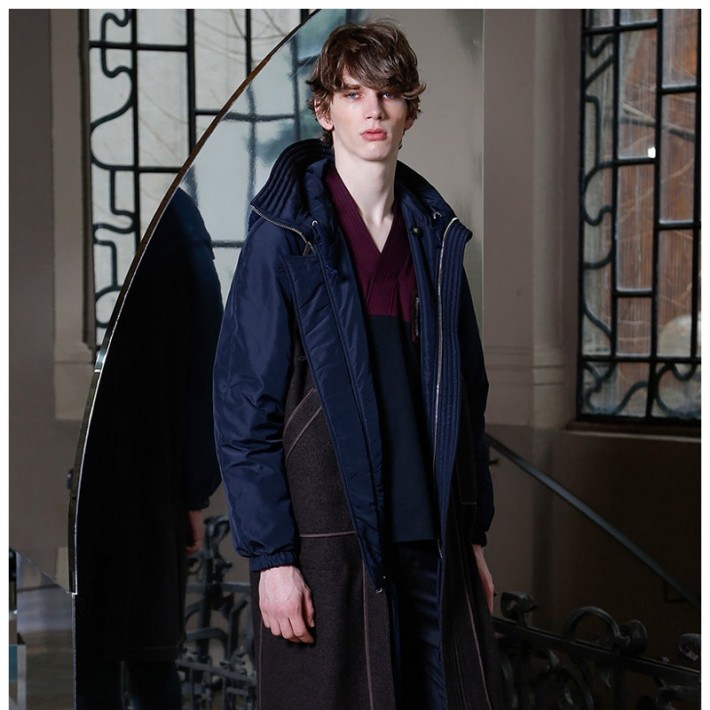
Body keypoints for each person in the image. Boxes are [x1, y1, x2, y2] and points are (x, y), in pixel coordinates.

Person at [213, 20, 502, 710]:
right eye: (352, 94)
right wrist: (273, 557)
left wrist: (473, 537)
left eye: (388, 94)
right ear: (325, 111)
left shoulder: (435, 238)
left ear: (409, 111)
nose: (372, 110)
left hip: (432, 542)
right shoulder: (284, 240)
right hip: (327, 547)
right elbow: (244, 408)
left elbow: (467, 401)